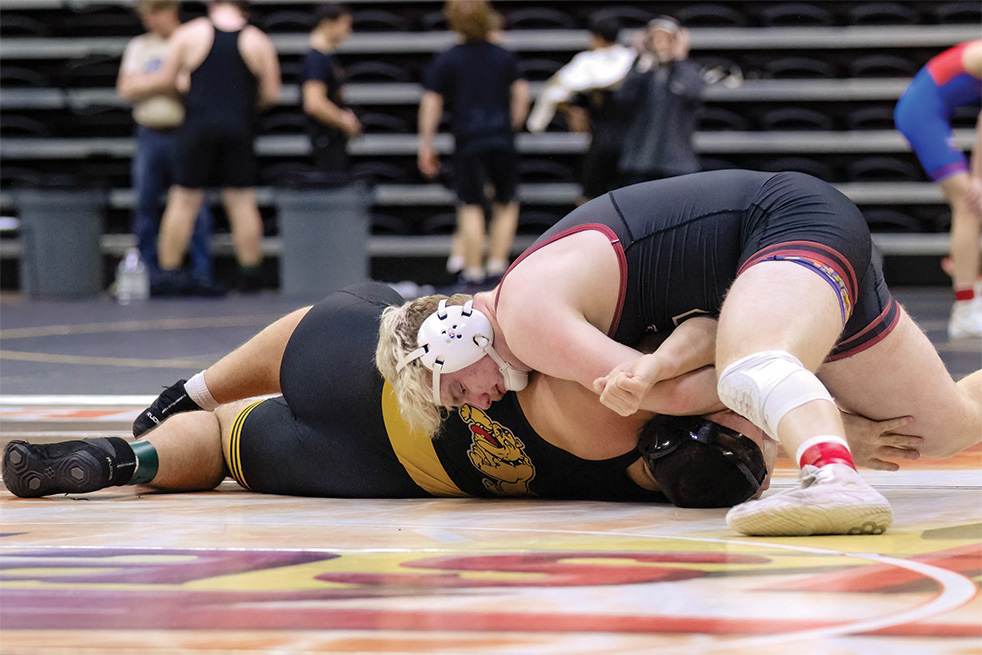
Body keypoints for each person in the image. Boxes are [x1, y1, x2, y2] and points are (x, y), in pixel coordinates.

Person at [377, 170, 982, 537]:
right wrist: (658, 367)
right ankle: (825, 430)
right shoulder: (528, 313)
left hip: (783, 230)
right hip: (779, 266)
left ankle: (834, 475)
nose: (481, 403)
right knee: (943, 431)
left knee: (755, 363)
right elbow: (704, 330)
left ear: (455, 340)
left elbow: (668, 394)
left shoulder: (525, 318)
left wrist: (841, 426)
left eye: (460, 390)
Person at [3, 282, 787, 509]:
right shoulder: (633, 471)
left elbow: (711, 331)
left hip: (376, 379)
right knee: (230, 444)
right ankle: (125, 460)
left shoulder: (620, 395)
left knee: (360, 311)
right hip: (386, 471)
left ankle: (155, 422)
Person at [122, 0, 281, 294]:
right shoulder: (258, 40)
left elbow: (168, 79)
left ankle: (168, 275)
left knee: (183, 200)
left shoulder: (190, 33)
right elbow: (271, 93)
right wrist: (242, 104)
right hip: (238, 127)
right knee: (241, 201)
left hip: (198, 127)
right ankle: (250, 275)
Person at [418, 0, 529, 289]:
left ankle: (473, 271)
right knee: (506, 201)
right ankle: (496, 264)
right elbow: (521, 95)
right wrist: (512, 125)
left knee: (470, 204)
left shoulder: (448, 58)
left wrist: (426, 143)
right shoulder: (504, 56)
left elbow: (431, 103)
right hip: (501, 138)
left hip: (467, 139)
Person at [115, 0, 224, 297]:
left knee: (195, 208)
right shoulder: (140, 46)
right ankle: (149, 274)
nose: (150, 23)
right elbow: (126, 89)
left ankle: (201, 272)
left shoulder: (190, 39)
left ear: (168, 11)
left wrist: (148, 82)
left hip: (184, 133)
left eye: (153, 15)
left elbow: (191, 86)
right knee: (145, 205)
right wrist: (166, 81)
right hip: (149, 133)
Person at [895, 40, 982, 339]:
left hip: (931, 110)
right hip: (921, 114)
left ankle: (966, 269)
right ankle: (965, 310)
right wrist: (978, 179)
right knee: (969, 202)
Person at [526, 15, 635, 204]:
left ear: (596, 38)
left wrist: (569, 111)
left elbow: (557, 89)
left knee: (589, 199)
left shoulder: (587, 62)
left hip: (603, 141)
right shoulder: (633, 61)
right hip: (634, 143)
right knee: (629, 200)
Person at [614, 16, 704, 186]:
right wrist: (641, 66)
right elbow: (623, 99)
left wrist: (680, 59)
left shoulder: (688, 70)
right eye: (655, 39)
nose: (660, 44)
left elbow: (691, 93)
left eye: (666, 39)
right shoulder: (641, 71)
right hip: (641, 159)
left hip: (677, 161)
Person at [301, 3, 361, 179]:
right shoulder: (316, 59)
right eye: (345, 24)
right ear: (328, 23)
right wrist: (345, 121)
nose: (348, 31)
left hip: (331, 139)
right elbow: (314, 103)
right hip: (325, 140)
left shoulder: (325, 58)